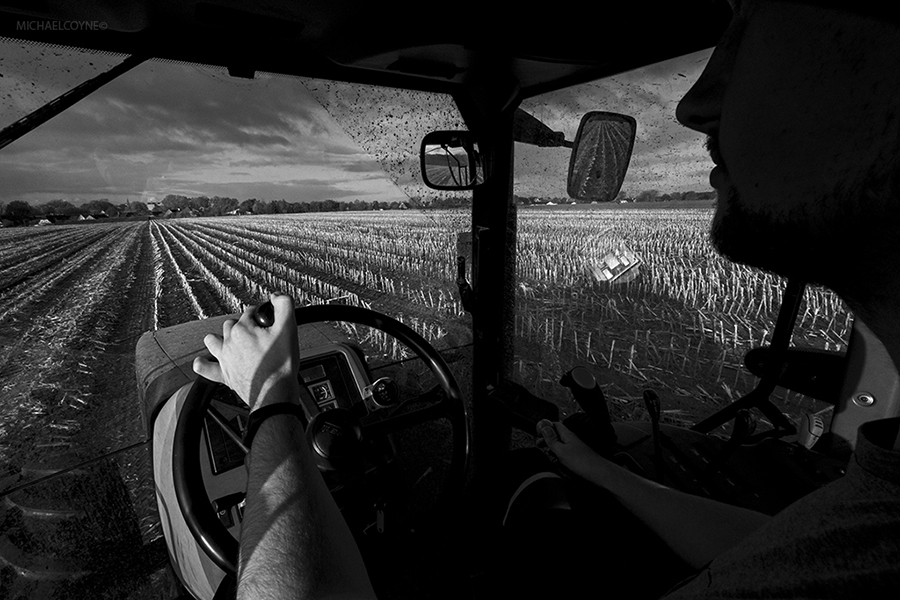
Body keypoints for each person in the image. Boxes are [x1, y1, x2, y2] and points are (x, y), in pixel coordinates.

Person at [193, 0, 900, 597]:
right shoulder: (867, 515)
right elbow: (780, 542)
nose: (696, 102)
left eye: (755, 20)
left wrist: (274, 405)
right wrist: (597, 470)